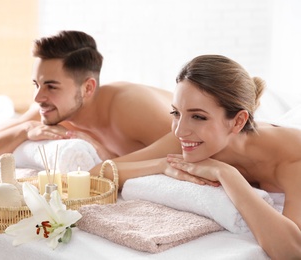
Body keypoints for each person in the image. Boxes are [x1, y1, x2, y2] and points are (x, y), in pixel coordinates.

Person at [93, 55, 301, 259]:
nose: (180, 131)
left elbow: (292, 251)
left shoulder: (294, 161)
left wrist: (227, 175)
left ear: (238, 122)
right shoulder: (192, 140)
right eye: (176, 113)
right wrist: (162, 164)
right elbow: (97, 174)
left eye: (198, 117)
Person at [0, 30, 175, 168]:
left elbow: (194, 147)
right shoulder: (52, 112)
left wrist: (106, 157)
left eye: (51, 86)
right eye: (36, 84)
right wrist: (25, 130)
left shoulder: (130, 105)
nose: (38, 97)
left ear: (87, 88)